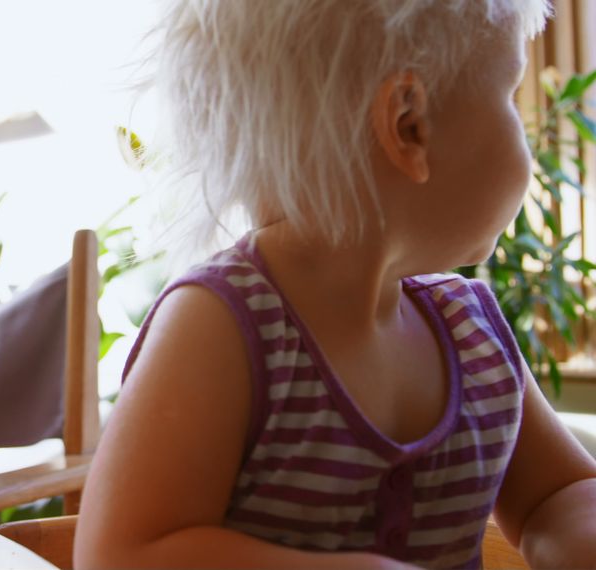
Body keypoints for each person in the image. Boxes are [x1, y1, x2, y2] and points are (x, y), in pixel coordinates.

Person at [76, 1, 596, 567]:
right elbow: (121, 554)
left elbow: (558, 495)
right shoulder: (222, 327)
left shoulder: (473, 336)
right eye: (511, 98)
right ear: (408, 125)